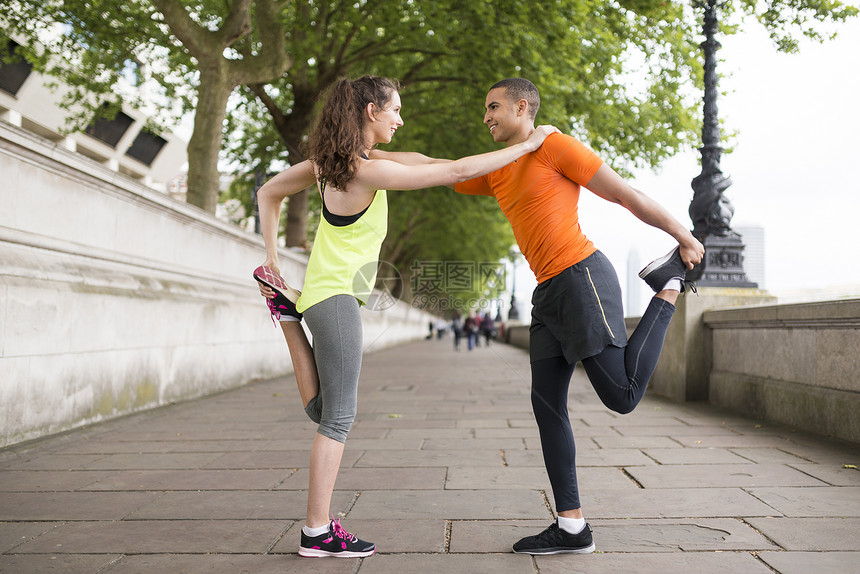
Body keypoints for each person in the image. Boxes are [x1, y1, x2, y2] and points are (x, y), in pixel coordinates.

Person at [252, 75, 559, 558]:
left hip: (324, 295)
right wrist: (531, 144)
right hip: (335, 301)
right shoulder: (364, 171)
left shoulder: (332, 164)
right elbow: (454, 172)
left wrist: (272, 257)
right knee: (336, 419)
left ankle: (287, 313)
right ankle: (317, 532)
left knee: (327, 410)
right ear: (371, 111)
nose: (401, 118)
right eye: (395, 110)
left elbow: (269, 192)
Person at [451, 78, 705, 555]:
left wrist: (683, 235)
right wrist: (361, 155)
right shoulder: (499, 168)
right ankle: (572, 528)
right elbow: (439, 169)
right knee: (546, 405)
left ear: (521, 106)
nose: (484, 116)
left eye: (493, 107)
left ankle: (669, 283)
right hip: (548, 293)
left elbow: (624, 195)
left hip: (581, 277)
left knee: (622, 396)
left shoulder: (555, 147)